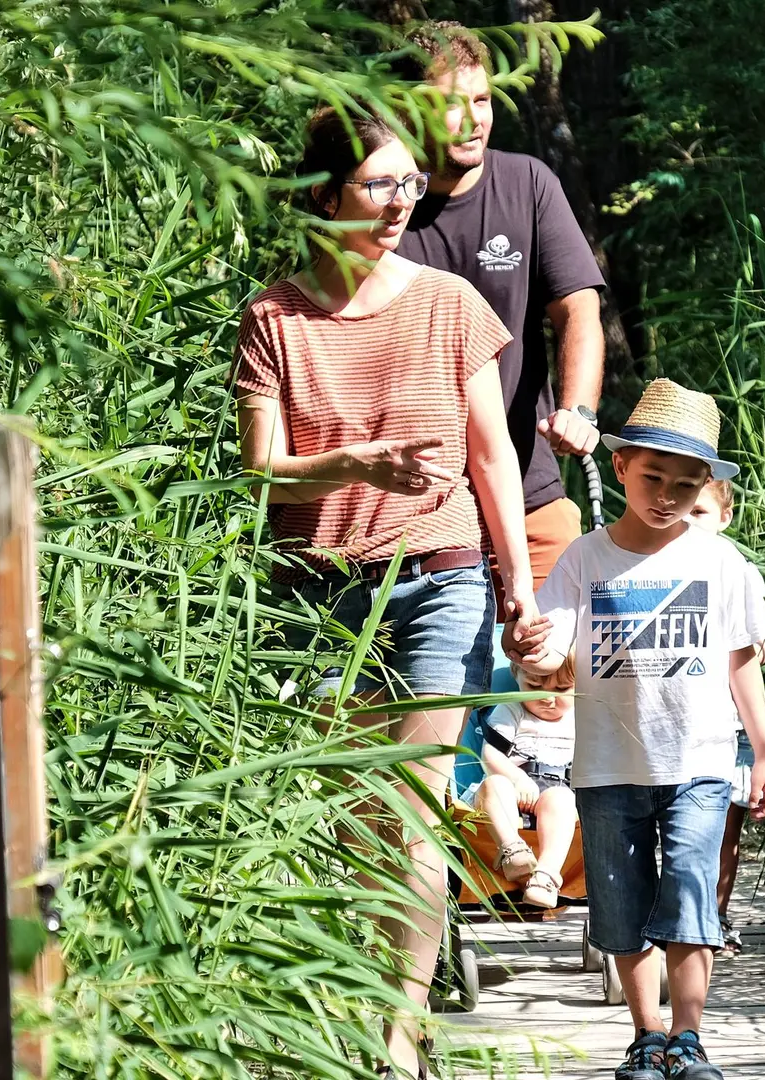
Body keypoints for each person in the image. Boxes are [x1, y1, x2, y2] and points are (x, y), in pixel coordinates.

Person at [233, 106, 541, 1080]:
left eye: (410, 183)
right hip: (318, 593)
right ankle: (364, 1000)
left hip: (440, 580)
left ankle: (397, 1045)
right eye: (380, 185)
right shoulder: (273, 321)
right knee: (354, 819)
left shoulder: (450, 303)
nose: (402, 202)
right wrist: (355, 464)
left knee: (410, 812)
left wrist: (520, 590)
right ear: (325, 197)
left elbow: (492, 457)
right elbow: (261, 474)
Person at [504, 379, 765, 1080]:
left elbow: (741, 661)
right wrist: (526, 647)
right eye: (653, 477)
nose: (667, 496)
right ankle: (647, 1035)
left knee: (690, 897)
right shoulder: (584, 559)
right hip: (606, 766)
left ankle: (689, 1037)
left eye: (687, 485)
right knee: (621, 907)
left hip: (700, 762)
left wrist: (764, 752)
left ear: (707, 487)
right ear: (621, 466)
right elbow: (551, 650)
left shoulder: (720, 562)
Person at [393, 22, 608, 601]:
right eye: (451, 105)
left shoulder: (528, 183)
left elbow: (578, 309)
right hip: (417, 510)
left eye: (483, 100)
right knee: (433, 666)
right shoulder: (382, 204)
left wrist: (578, 411)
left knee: (554, 660)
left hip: (529, 492)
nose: (473, 120)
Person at [687, 480, 765, 956]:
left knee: (726, 827)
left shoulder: (736, 569)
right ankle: (673, 912)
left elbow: (764, 635)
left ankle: (715, 915)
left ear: (725, 517)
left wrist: (753, 645)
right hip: (679, 723)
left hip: (730, 723)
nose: (688, 521)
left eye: (699, 512)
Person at [472, 660, 578, 909]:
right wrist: (517, 779)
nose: (548, 699)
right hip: (512, 785)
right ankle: (513, 851)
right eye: (534, 686)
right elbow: (491, 754)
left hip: (557, 790)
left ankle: (545, 876)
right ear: (516, 675)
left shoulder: (580, 716)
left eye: (561, 689)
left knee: (562, 799)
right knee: (494, 785)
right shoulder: (511, 709)